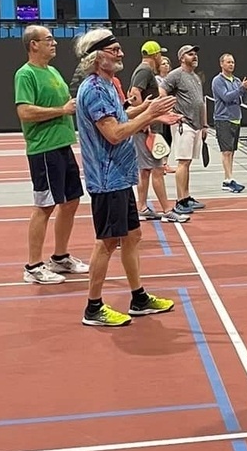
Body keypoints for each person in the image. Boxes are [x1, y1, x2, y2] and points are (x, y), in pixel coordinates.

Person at [73, 29, 182, 328]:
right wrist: (149, 115)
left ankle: (138, 297)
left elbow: (120, 116)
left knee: (133, 236)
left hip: (121, 176)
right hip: (106, 179)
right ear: (98, 57)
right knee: (106, 242)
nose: (121, 53)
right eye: (115, 50)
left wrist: (148, 110)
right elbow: (114, 133)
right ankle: (93, 308)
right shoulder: (93, 89)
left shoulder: (108, 85)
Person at [14, 26, 90, 285]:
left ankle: (60, 257)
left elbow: (69, 104)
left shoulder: (53, 71)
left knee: (71, 202)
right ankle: (33, 266)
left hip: (63, 145)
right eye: (48, 40)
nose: (54, 43)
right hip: (43, 149)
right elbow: (24, 112)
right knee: (45, 206)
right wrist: (60, 110)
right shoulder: (25, 75)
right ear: (33, 45)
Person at [127, 40, 186, 223]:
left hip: (145, 125)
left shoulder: (143, 70)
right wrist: (145, 119)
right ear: (155, 55)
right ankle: (168, 210)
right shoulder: (144, 70)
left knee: (144, 170)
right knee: (158, 169)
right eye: (160, 54)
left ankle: (142, 207)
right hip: (146, 127)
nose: (161, 58)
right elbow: (134, 94)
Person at [162, 45, 209, 215]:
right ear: (182, 58)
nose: (194, 56)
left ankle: (186, 197)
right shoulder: (176, 74)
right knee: (182, 162)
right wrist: (169, 112)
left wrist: (204, 125)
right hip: (183, 124)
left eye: (195, 54)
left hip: (196, 124)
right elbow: (162, 91)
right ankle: (180, 201)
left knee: (187, 162)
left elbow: (200, 102)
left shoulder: (195, 77)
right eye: (190, 54)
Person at [211, 53, 247, 193]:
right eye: (228, 62)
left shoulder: (236, 81)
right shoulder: (218, 81)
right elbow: (226, 97)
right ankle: (228, 180)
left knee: (232, 152)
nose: (231, 64)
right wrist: (241, 88)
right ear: (221, 64)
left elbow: (244, 100)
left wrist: (246, 89)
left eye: (233, 62)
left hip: (236, 119)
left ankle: (228, 179)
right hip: (223, 119)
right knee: (226, 152)